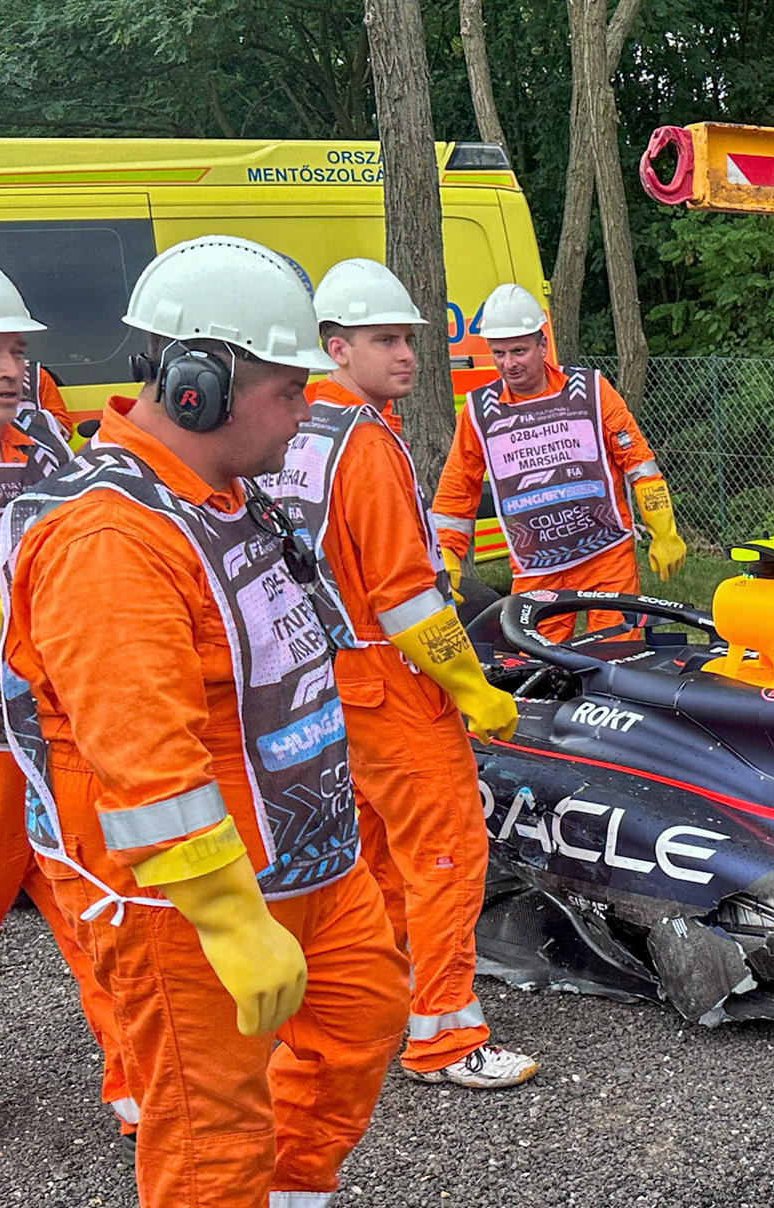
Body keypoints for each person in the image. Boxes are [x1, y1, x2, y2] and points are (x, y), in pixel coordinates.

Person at [0, 235, 411, 1208]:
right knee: (204, 1108)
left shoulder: (222, 499)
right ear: (201, 387)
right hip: (190, 892)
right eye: (290, 386)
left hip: (304, 856)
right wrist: (232, 920)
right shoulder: (110, 538)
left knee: (366, 1012)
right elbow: (146, 760)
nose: (306, 407)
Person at [256, 257, 534, 1089]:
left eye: (409, 337)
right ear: (335, 348)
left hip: (324, 680)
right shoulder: (367, 447)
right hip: (391, 682)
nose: (408, 354)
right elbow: (408, 599)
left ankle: (369, 1010)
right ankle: (445, 1038)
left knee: (368, 859)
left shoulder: (297, 431)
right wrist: (472, 687)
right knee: (445, 854)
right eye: (385, 339)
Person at [0, 265, 138, 1136]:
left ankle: (135, 1077)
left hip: (46, 721)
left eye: (15, 348)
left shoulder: (46, 439)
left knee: (96, 903)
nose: (12, 366)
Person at [429, 282, 685, 639]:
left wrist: (664, 532)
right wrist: (448, 551)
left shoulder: (590, 391)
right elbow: (458, 489)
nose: (508, 364)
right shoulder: (480, 411)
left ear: (542, 345)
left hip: (606, 553)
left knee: (619, 657)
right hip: (537, 566)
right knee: (539, 667)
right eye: (498, 352)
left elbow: (639, 464)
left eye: (519, 351)